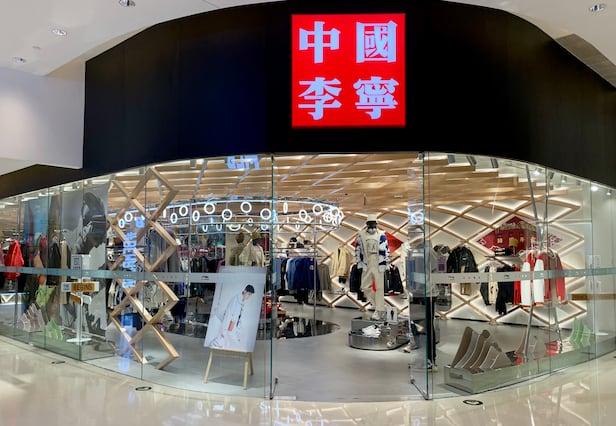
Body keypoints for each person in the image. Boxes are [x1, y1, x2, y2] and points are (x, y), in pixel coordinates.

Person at [355, 214, 390, 320]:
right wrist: (359, 262)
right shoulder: (361, 235)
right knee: (365, 287)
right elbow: (357, 249)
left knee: (379, 288)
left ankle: (379, 310)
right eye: (369, 223)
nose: (371, 225)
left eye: (373, 223)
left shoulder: (382, 235)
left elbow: (386, 250)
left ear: (376, 224)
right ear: (366, 224)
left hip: (378, 262)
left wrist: (386, 263)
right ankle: (380, 307)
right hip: (367, 262)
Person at [209, 284, 255, 349]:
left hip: (231, 329)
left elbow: (238, 318)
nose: (249, 296)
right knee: (218, 343)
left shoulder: (241, 302)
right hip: (228, 328)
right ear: (245, 291)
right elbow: (228, 315)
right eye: (249, 294)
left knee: (227, 345)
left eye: (250, 295)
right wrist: (224, 330)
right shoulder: (236, 300)